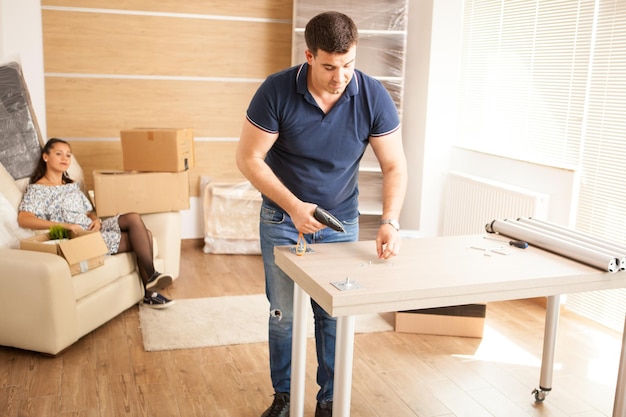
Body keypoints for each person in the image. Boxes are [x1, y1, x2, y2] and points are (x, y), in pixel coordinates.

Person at [235, 11, 407, 417]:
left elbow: (394, 165)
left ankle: (329, 401)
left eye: (348, 65)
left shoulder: (373, 94)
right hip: (283, 222)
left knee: (332, 316)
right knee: (284, 316)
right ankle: (285, 397)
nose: (340, 76)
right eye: (330, 66)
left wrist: (389, 220)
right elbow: (248, 158)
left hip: (340, 223)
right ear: (309, 56)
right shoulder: (276, 91)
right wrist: (294, 206)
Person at [17, 138, 175, 309]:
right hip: (78, 237)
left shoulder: (71, 186)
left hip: (93, 228)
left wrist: (96, 221)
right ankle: (151, 290)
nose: (65, 158)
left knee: (133, 217)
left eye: (68, 155)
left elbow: (88, 212)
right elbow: (24, 218)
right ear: (46, 157)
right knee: (147, 236)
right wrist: (63, 226)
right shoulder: (37, 190)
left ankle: (151, 279)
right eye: (59, 154)